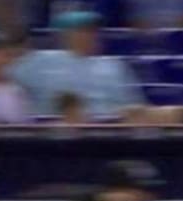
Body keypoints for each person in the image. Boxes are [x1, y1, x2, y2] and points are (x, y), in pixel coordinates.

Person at [10, 9, 142, 120]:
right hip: (58, 129)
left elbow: (135, 106)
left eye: (94, 31)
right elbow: (2, 79)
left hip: (110, 128)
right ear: (65, 35)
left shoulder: (114, 65)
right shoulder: (40, 60)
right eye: (83, 31)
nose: (92, 35)